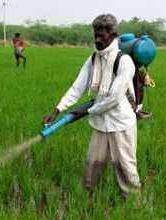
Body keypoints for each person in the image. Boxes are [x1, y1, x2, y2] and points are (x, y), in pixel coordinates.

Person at [43, 14, 141, 198]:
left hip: (120, 123)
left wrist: (87, 111)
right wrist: (57, 110)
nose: (97, 40)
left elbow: (113, 97)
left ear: (113, 35)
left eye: (102, 36)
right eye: (95, 35)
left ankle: (133, 205)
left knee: (125, 166)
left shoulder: (124, 61)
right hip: (100, 122)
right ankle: (88, 199)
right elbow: (78, 86)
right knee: (92, 163)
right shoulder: (94, 58)